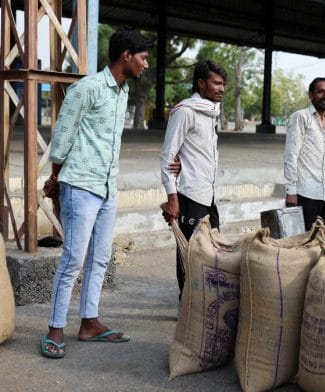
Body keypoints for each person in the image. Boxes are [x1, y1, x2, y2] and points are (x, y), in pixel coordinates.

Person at [40, 26, 152, 358]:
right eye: (143, 58)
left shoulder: (123, 93)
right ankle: (55, 328)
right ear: (126, 56)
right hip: (80, 184)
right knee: (73, 258)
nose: (146, 65)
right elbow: (63, 135)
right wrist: (56, 177)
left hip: (106, 186)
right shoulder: (87, 88)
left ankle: (89, 323)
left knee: (100, 258)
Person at [160, 60, 227, 299]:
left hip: (207, 194)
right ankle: (187, 304)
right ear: (201, 83)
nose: (221, 88)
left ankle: (202, 302)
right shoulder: (185, 111)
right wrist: (172, 199)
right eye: (216, 83)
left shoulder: (210, 112)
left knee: (211, 252)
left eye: (223, 84)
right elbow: (167, 156)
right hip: (189, 194)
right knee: (189, 254)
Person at [283, 77, 325, 230]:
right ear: (311, 95)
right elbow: (291, 156)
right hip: (305, 193)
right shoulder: (300, 117)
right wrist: (291, 190)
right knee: (302, 242)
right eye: (321, 92)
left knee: (320, 241)